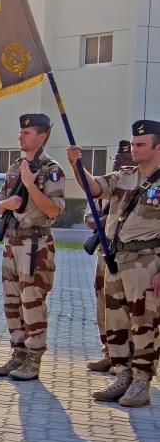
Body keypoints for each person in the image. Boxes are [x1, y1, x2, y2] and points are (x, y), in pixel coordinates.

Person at [68, 120, 160, 407]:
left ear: (158, 147)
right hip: (116, 260)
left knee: (144, 323)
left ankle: (142, 381)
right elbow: (93, 187)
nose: (134, 148)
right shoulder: (123, 177)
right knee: (116, 321)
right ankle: (122, 375)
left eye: (141, 144)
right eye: (133, 143)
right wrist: (76, 164)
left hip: (147, 261)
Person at [0, 114, 65, 381]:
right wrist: (5, 205)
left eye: (28, 132)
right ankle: (18, 353)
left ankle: (34, 359)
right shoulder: (15, 167)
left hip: (36, 244)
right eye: (21, 132)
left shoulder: (50, 170)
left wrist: (31, 185)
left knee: (32, 302)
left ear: (42, 137)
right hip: (12, 241)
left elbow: (53, 209)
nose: (21, 136)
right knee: (12, 302)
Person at [84, 141, 133, 372]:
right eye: (116, 161)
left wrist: (110, 220)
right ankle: (109, 352)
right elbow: (89, 218)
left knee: (128, 307)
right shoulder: (108, 185)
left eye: (123, 161)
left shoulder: (138, 188)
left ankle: (127, 357)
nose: (118, 164)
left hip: (130, 257)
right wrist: (106, 220)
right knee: (104, 304)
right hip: (105, 252)